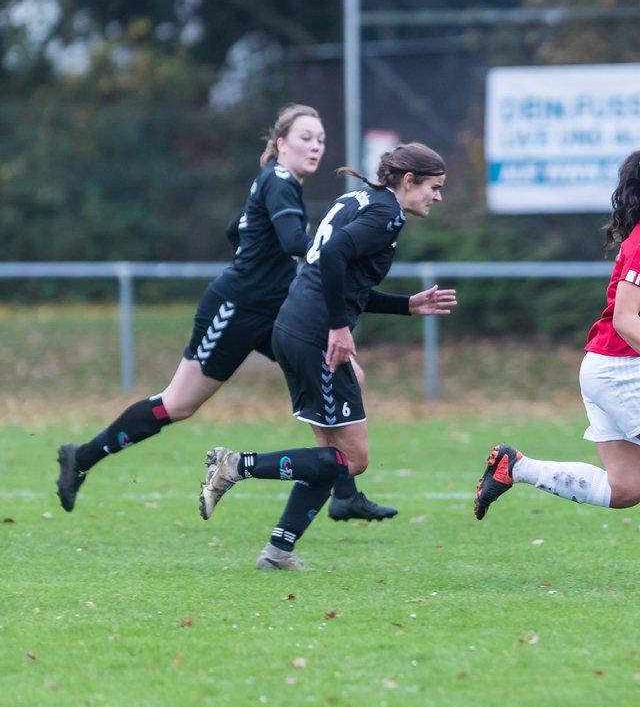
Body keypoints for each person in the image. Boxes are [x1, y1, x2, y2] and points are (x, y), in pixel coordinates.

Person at [54, 104, 393, 522]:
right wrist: (330, 253)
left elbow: (238, 229)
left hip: (278, 312)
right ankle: (81, 457)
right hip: (236, 308)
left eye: (321, 139)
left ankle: (344, 491)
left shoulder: (278, 183)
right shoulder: (280, 180)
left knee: (344, 375)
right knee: (178, 404)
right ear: (281, 143)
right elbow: (292, 241)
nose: (315, 146)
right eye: (305, 137)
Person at [196, 143, 457, 570]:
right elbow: (334, 256)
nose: (438, 197)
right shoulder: (386, 215)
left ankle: (279, 551)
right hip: (316, 336)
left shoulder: (356, 199)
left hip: (292, 328)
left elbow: (338, 276)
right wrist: (338, 327)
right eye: (435, 187)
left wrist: (405, 304)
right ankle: (235, 465)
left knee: (328, 459)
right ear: (408, 182)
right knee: (353, 459)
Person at [473, 148, 640, 584]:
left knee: (625, 489)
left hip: (610, 368)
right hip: (620, 369)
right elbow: (627, 319)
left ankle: (515, 466)